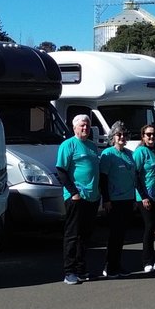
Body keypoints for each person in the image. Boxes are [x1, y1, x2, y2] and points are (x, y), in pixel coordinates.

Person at [56, 114, 101, 285]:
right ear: (74, 127)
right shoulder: (68, 145)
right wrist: (73, 192)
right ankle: (69, 272)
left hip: (92, 197)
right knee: (72, 235)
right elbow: (61, 170)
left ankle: (82, 269)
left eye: (87, 126)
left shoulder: (91, 146)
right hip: (76, 197)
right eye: (82, 125)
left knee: (85, 236)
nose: (85, 128)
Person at [98, 122, 138, 278]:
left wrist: (134, 198)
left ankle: (118, 264)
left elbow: (134, 178)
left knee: (122, 235)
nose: (122, 137)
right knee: (114, 235)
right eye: (118, 134)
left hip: (128, 199)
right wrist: (106, 199)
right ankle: (109, 266)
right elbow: (103, 178)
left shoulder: (130, 154)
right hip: (114, 200)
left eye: (124, 135)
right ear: (112, 137)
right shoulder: (108, 154)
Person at [132, 123, 155, 273]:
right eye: (148, 134)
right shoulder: (140, 152)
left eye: (153, 134)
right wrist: (143, 196)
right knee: (148, 227)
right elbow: (135, 176)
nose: (151, 137)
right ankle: (146, 261)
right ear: (143, 136)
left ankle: (153, 260)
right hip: (145, 196)